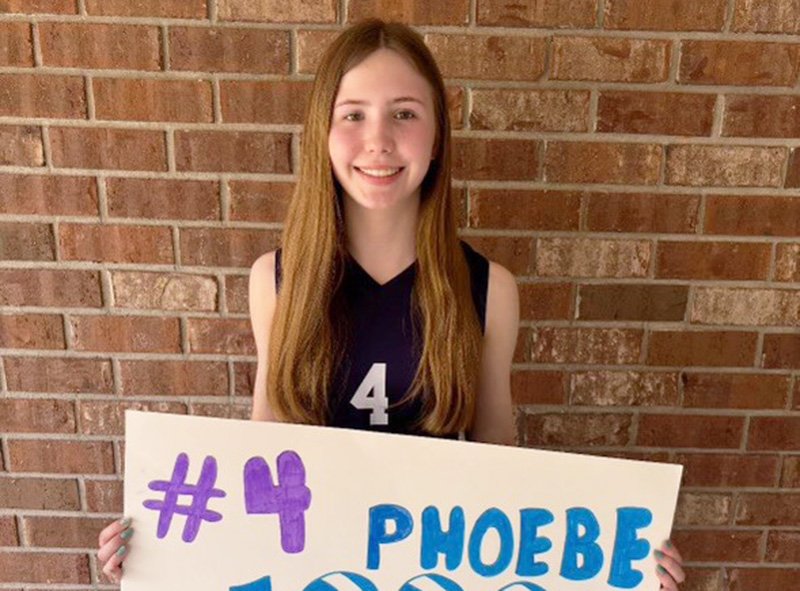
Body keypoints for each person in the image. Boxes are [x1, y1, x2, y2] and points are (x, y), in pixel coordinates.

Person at [97, 19, 685, 590]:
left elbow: (502, 474)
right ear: (323, 134)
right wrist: (163, 553)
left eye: (404, 114)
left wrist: (623, 563)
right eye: (353, 115)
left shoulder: (489, 289)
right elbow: (261, 461)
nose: (378, 140)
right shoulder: (275, 281)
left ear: (437, 137)